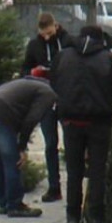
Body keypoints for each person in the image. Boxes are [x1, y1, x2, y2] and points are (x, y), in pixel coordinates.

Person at [50, 25, 112, 223]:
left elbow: (54, 82)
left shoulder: (62, 56)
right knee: (97, 171)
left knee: (73, 171)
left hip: (70, 120)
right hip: (99, 121)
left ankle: (72, 218)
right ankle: (97, 220)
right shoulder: (108, 59)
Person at [0, 72, 58, 219]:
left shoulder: (34, 84)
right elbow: (31, 120)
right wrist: (21, 147)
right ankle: (15, 205)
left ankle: (4, 203)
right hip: (0, 111)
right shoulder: (48, 93)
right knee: (12, 160)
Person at [21, 12, 72, 202]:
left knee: (70, 143)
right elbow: (24, 69)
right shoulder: (35, 45)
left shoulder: (66, 41)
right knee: (50, 144)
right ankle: (54, 186)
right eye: (44, 34)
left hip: (65, 97)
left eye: (50, 33)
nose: (47, 37)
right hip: (45, 98)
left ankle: (74, 185)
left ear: (55, 26)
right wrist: (33, 72)